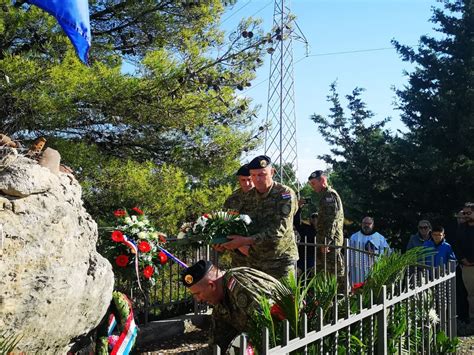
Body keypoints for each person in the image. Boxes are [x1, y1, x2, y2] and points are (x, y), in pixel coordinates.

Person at [220, 155, 299, 279]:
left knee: (283, 298)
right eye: (254, 175)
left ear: (272, 172)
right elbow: (237, 225)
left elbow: (278, 230)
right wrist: (222, 240)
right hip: (254, 260)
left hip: (279, 261)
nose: (257, 179)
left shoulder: (284, 194)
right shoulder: (247, 196)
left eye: (262, 174)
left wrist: (245, 241)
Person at [181, 260, 282, 351]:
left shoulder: (238, 283)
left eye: (198, 293)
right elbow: (218, 343)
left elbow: (270, 322)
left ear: (211, 286)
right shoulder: (220, 300)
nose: (198, 299)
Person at [308, 170, 345, 287]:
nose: (312, 187)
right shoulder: (325, 196)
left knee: (333, 272)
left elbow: (331, 221)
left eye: (313, 183)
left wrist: (326, 242)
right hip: (325, 240)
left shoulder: (329, 195)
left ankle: (340, 298)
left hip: (330, 242)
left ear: (322, 180)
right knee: (323, 272)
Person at [348, 217, 391, 285]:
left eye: (369, 223)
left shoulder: (380, 238)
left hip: (374, 269)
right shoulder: (354, 237)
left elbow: (387, 254)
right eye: (364, 223)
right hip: (357, 270)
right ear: (361, 224)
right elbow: (349, 253)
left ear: (373, 225)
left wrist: (375, 252)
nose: (366, 225)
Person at [455, 202, 474, 321]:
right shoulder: (461, 228)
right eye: (464, 213)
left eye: (469, 213)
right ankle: (472, 319)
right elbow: (457, 245)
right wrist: (463, 259)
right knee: (471, 295)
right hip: (467, 267)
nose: (466, 215)